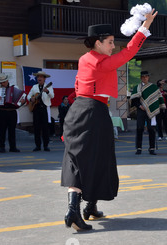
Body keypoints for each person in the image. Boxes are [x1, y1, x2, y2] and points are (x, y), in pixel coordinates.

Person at [61, 10, 158, 232]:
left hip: (77, 110)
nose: (114, 46)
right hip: (94, 111)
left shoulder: (84, 59)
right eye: (111, 42)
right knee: (100, 159)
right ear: (98, 43)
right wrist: (145, 26)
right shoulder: (101, 62)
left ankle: (83, 207)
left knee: (76, 160)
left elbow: (77, 88)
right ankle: (80, 209)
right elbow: (130, 51)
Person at [130, 71, 165, 155]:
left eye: (146, 76)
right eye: (143, 77)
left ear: (148, 77)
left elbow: (158, 98)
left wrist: (159, 108)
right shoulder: (137, 87)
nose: (145, 78)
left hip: (151, 110)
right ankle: (139, 148)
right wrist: (139, 106)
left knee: (151, 129)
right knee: (139, 128)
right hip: (141, 110)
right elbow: (134, 100)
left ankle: (152, 148)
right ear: (141, 78)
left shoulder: (153, 87)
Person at [27, 71, 54, 152]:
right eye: (38, 77)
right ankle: (37, 145)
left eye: (41, 77)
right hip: (36, 109)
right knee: (36, 128)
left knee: (45, 128)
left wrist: (47, 92)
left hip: (44, 109)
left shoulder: (48, 87)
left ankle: (46, 145)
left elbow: (52, 96)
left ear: (44, 79)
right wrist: (31, 99)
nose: (39, 78)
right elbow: (28, 95)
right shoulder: (34, 87)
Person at [0, 73, 26, 153]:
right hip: (1, 111)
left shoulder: (15, 88)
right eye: (0, 82)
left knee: (12, 130)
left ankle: (13, 147)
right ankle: (2, 146)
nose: (2, 84)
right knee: (1, 130)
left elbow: (21, 98)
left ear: (7, 81)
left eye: (3, 82)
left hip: (12, 112)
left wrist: (22, 102)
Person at [156, 79, 167, 143]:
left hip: (165, 109)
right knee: (159, 123)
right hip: (159, 109)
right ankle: (160, 136)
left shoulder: (165, 91)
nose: (162, 85)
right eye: (161, 84)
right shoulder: (156, 91)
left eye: (163, 84)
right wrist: (159, 83)